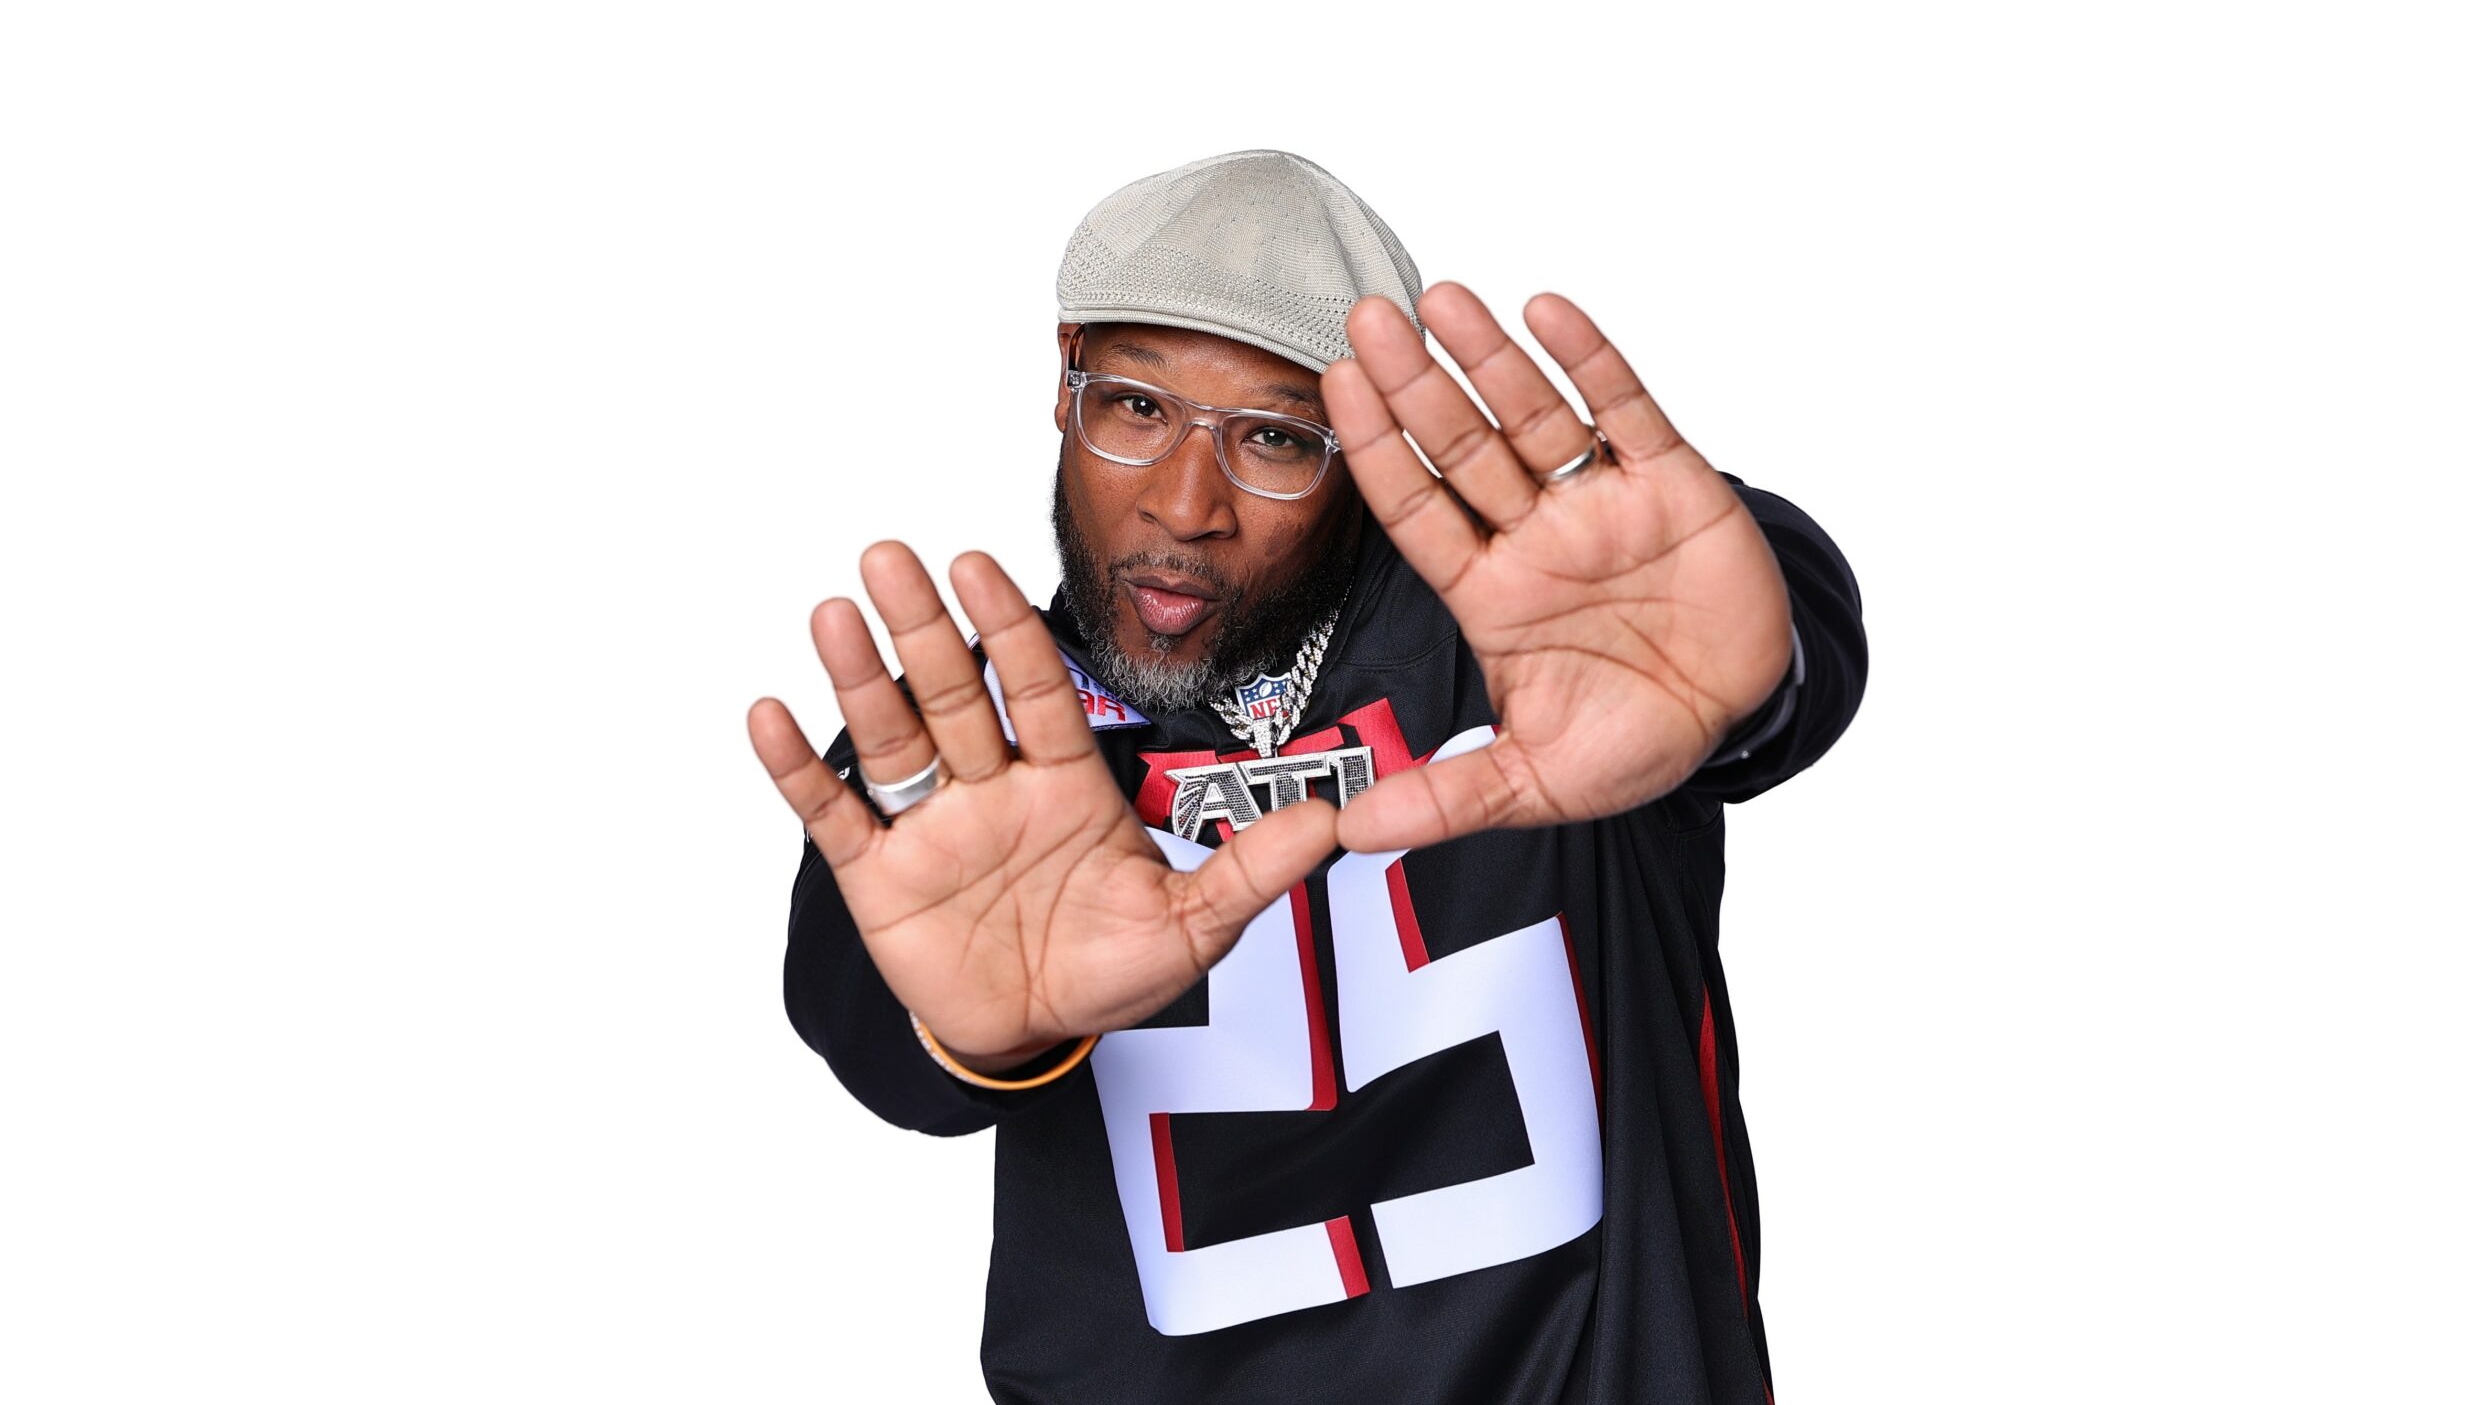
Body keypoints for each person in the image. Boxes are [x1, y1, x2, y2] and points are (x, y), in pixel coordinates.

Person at [749, 148, 1867, 1404]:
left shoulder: (1549, 634)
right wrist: (971, 1029)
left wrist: (1756, 658)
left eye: (1277, 438)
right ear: (1063, 377)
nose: (1186, 505)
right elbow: (873, 1028)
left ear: (1373, 445)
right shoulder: (976, 755)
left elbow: (1755, 622)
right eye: (1136, 407)